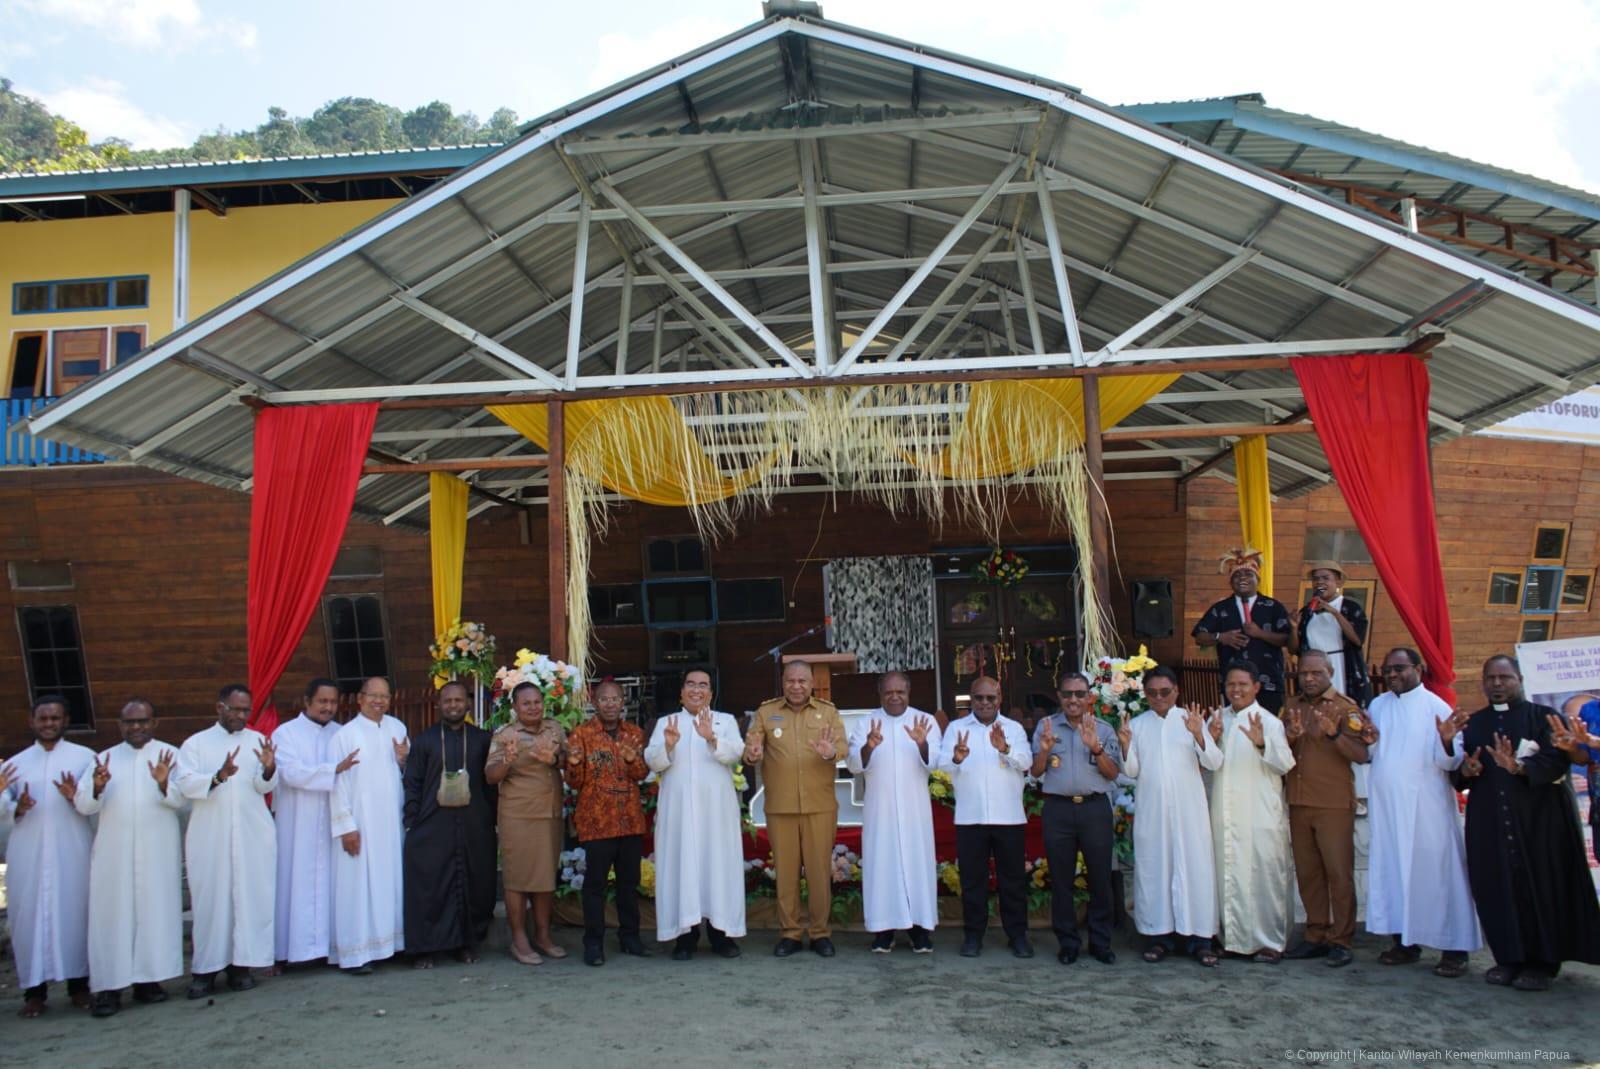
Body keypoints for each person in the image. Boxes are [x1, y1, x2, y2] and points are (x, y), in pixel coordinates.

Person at [1452, 655, 1600, 991]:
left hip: (1540, 823)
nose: (1497, 684)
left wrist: (1520, 768)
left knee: (1543, 886)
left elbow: (1560, 761)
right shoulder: (1475, 724)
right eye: (1491, 678)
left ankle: (1543, 962)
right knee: (1498, 887)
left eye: (1505, 677)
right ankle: (1508, 958)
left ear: (1519, 679)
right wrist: (1466, 772)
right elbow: (1462, 772)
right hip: (1490, 819)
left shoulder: (1545, 717)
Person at [1363, 648, 1478, 977]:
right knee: (1396, 873)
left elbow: (1450, 762)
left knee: (1439, 875)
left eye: (1399, 668)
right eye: (1388, 669)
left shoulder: (1436, 707)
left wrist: (1445, 741)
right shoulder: (1378, 705)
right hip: (1389, 811)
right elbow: (1373, 750)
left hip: (1427, 810)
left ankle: (1454, 948)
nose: (1392, 674)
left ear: (1418, 668)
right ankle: (1405, 942)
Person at [73, 699, 187, 1017]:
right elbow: (84, 805)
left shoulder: (171, 755)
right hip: (114, 853)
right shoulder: (104, 758)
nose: (136, 727)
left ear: (155, 723)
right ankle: (108, 988)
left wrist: (165, 783)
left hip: (157, 849)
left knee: (154, 913)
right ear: (120, 724)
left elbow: (183, 800)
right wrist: (96, 787)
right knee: (112, 917)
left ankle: (149, 982)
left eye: (142, 721)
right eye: (129, 722)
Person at [175, 684, 278, 998]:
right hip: (211, 835)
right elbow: (184, 784)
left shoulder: (257, 741)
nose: (241, 715)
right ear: (219, 707)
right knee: (211, 901)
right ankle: (206, 970)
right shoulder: (196, 744)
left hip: (251, 833)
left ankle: (240, 966)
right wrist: (218, 776)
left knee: (248, 899)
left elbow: (263, 786)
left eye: (246, 710)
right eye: (234, 709)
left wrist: (270, 767)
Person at [1121, 665, 1224, 967]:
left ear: (1176, 691)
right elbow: (1130, 772)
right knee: (1156, 872)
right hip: (1153, 814)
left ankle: (1200, 939)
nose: (1158, 697)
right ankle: (1159, 937)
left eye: (1165, 692)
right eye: (1152, 693)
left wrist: (1199, 734)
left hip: (1189, 814)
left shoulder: (1190, 720)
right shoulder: (1138, 725)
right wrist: (1126, 745)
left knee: (1195, 872)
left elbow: (1214, 762)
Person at [0, 694, 95, 1017]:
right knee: (28, 918)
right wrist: (15, 806)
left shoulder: (86, 758)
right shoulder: (15, 765)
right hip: (29, 853)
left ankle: (79, 987)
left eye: (55, 718)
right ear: (32, 722)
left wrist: (76, 798)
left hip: (72, 849)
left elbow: (97, 803)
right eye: (43, 718)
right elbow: (3, 811)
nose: (49, 724)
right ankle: (34, 992)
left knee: (76, 913)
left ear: (65, 721)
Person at [745, 660, 847, 958]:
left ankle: (819, 933)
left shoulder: (827, 711)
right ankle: (790, 933)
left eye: (802, 681)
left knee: (818, 873)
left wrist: (832, 753)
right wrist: (752, 754)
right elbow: (750, 749)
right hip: (781, 806)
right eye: (791, 681)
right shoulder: (767, 712)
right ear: (783, 682)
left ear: (812, 683)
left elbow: (842, 747)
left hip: (819, 805)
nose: (797, 686)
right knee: (786, 874)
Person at [645, 670, 746, 960]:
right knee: (682, 866)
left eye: (704, 685)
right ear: (681, 692)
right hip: (678, 814)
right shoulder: (666, 723)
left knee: (718, 867)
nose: (697, 690)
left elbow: (736, 753)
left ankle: (721, 935)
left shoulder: (724, 721)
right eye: (691, 684)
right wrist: (668, 744)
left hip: (716, 814)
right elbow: (652, 761)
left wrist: (711, 738)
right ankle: (685, 937)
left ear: (711, 693)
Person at [1281, 650, 1372, 968]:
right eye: (1303, 673)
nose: (1308, 678)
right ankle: (1315, 934)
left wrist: (1334, 735)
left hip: (1333, 804)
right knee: (1308, 874)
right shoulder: (1292, 706)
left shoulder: (1345, 708)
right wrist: (1290, 738)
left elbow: (1362, 754)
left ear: (1330, 672)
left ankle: (1341, 938)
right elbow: (1282, 751)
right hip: (1299, 800)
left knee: (1338, 874)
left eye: (1316, 673)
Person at [1029, 670, 1121, 966]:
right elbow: (1035, 772)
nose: (1073, 700)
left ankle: (1100, 942)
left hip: (1095, 808)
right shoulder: (1046, 727)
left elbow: (1112, 773)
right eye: (1067, 694)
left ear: (1089, 697)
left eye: (1079, 694)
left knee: (1100, 879)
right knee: (1062, 880)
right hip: (1058, 810)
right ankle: (1068, 943)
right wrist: (1043, 751)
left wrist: (1095, 746)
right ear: (1059, 697)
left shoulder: (1104, 729)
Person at [937, 675, 1033, 959]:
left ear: (999, 698)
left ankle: (1017, 936)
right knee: (972, 881)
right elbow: (941, 766)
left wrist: (1004, 748)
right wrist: (956, 758)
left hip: (1009, 817)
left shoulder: (1013, 729)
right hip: (970, 817)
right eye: (978, 698)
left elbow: (1026, 763)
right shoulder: (956, 728)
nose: (984, 703)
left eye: (990, 698)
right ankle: (973, 936)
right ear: (971, 699)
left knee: (1013, 881)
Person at [846, 672, 942, 954]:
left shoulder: (925, 721)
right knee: (882, 867)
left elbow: (936, 761)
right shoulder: (866, 723)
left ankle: (920, 930)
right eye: (889, 692)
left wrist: (922, 743)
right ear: (880, 693)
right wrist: (869, 745)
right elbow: (853, 764)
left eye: (900, 691)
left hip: (915, 812)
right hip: (881, 811)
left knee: (917, 867)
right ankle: (883, 931)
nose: (895, 696)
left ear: (909, 692)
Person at [403, 680, 496, 969]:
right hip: (433, 825)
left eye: (458, 701)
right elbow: (413, 782)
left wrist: (492, 820)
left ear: (468, 704)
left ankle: (465, 945)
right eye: (448, 701)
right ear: (438, 705)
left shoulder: (482, 739)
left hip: (473, 824)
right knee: (431, 886)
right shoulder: (424, 740)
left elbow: (491, 785)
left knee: (473, 883)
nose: (453, 705)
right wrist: (412, 820)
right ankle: (426, 948)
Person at [1208, 662, 1294, 963]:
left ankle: (1269, 941)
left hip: (1259, 813)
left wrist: (1262, 743)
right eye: (1231, 684)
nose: (1236, 690)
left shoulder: (1269, 722)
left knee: (1263, 876)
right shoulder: (1217, 719)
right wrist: (1207, 737)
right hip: (1225, 812)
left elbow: (1284, 764)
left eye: (1243, 684)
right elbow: (1209, 762)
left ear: (1256, 686)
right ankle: (1230, 939)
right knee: (1227, 872)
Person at [565, 678, 651, 966]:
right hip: (597, 821)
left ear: (622, 702)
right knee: (595, 886)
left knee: (628, 884)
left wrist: (630, 760)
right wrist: (574, 765)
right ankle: (593, 943)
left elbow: (641, 775)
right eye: (604, 699)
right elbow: (574, 782)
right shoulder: (581, 735)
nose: (610, 704)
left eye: (615, 699)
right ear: (594, 702)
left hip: (629, 820)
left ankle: (630, 937)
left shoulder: (635, 733)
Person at [272, 677, 355, 970]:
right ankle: (289, 951)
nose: (328, 707)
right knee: (295, 883)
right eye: (322, 701)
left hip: (331, 823)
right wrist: (333, 769)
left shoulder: (341, 733)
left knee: (330, 884)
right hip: (299, 823)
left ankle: (326, 949)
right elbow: (290, 773)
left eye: (333, 702)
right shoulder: (286, 734)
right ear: (307, 701)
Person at [329, 676, 409, 975]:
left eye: (384, 696)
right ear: (360, 698)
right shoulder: (344, 736)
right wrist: (345, 827)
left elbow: (404, 775)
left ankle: (391, 946)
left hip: (390, 823)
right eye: (372, 695)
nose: (379, 701)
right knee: (358, 886)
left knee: (390, 881)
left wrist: (404, 761)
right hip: (359, 824)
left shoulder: (397, 728)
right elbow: (335, 784)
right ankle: (356, 954)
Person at [487, 681, 568, 965]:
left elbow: (569, 761)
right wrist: (507, 760)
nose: (533, 707)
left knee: (545, 878)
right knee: (518, 879)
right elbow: (491, 776)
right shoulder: (505, 735)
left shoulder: (554, 728)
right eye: (526, 703)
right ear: (515, 707)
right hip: (518, 816)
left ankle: (543, 936)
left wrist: (554, 758)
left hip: (549, 814)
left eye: (537, 702)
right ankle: (519, 939)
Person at [1192, 547, 1291, 712]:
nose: (1242, 579)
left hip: (1268, 682)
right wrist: (1220, 637)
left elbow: (1287, 639)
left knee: (1268, 730)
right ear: (1231, 582)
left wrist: (1260, 633)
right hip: (1234, 686)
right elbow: (1199, 636)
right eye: (1237, 575)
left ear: (1257, 579)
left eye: (1248, 575)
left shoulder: (1273, 606)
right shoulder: (1221, 608)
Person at [1294, 562, 1371, 708]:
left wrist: (1335, 612)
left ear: (1338, 582)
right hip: (1315, 665)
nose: (1320, 582)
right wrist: (1293, 628)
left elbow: (1357, 640)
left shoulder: (1350, 607)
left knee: (1344, 708)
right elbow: (1295, 649)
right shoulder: (1307, 611)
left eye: (1325, 578)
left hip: (1341, 663)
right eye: (1316, 579)